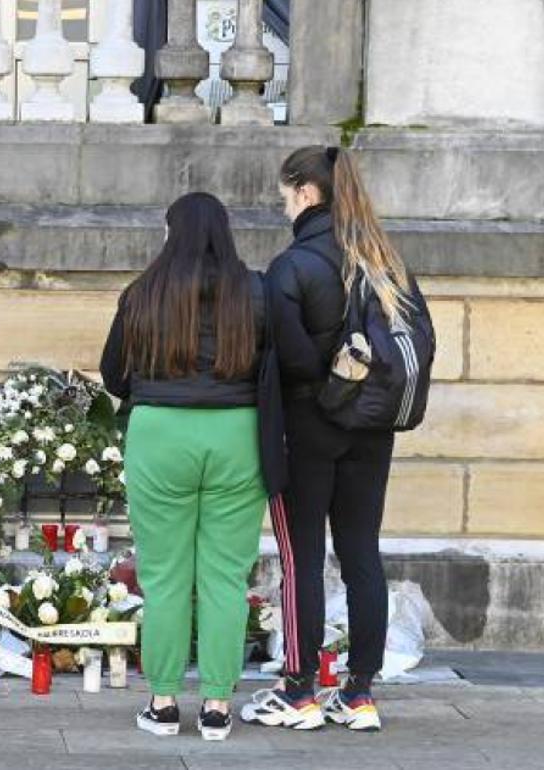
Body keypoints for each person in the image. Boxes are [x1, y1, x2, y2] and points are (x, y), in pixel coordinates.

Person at [241, 146, 414, 733]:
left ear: (306, 194)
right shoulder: (384, 260)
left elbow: (289, 360)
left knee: (302, 558)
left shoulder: (293, 266)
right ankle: (359, 691)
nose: (282, 202)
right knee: (362, 553)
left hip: (308, 428)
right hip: (372, 428)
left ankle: (299, 689)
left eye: (285, 192)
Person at [100, 192, 268, 742]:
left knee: (164, 575)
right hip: (237, 433)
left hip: (161, 432)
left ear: (170, 233)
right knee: (224, 576)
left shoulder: (143, 292)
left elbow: (113, 376)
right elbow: (279, 367)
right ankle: (217, 706)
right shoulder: (255, 290)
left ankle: (164, 701)